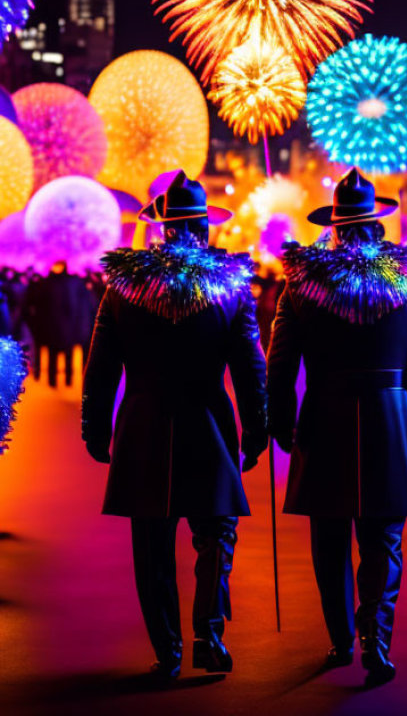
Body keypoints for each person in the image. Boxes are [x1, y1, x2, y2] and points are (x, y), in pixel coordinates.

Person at [267, 168, 407, 687]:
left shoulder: (301, 285)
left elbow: (281, 363)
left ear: (334, 226)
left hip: (326, 416)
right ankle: (374, 640)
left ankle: (339, 638)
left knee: (329, 538)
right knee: (384, 539)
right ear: (377, 225)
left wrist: (280, 422)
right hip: (391, 420)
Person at [82, 171, 267, 680]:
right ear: (204, 228)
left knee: (152, 546)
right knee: (217, 532)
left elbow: (101, 365)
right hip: (207, 421)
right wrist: (257, 428)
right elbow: (250, 366)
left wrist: (95, 427)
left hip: (143, 425)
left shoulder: (123, 284)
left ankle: (168, 652)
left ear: (161, 230)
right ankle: (208, 632)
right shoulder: (229, 285)